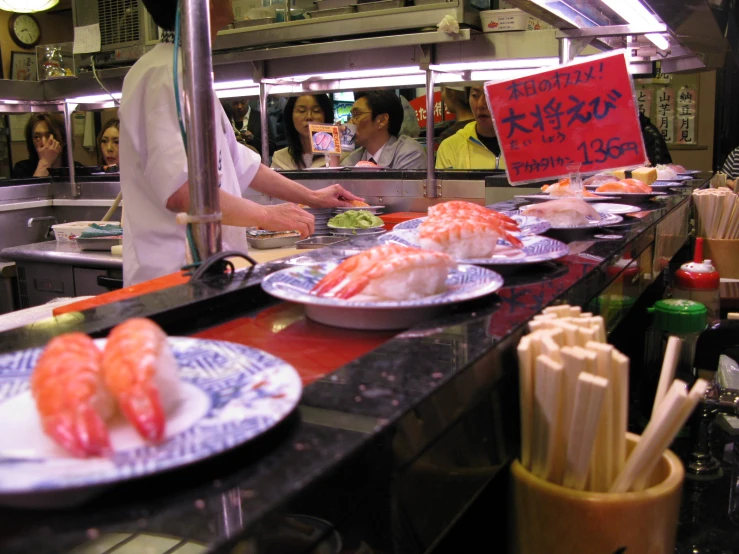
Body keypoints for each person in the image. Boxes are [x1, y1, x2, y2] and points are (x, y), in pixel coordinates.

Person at [120, 0, 361, 286]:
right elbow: (184, 193)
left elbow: (240, 164)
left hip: (206, 271)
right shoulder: (163, 75)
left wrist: (312, 197)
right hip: (170, 280)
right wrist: (266, 215)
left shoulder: (189, 70)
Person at [341, 91, 427, 170]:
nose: (350, 123)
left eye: (357, 115)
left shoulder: (410, 153)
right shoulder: (353, 158)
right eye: (351, 116)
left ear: (382, 120)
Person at [436, 85, 505, 170]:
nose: (480, 104)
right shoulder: (450, 147)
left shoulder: (524, 144)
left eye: (490, 95)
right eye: (475, 95)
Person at [271, 94, 334, 170]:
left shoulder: (341, 156)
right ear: (290, 116)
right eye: (301, 111)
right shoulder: (280, 158)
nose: (309, 117)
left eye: (316, 111)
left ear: (326, 116)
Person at [12, 114, 68, 178]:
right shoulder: (22, 169)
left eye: (49, 135)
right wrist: (45, 162)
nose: (43, 143)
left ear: (64, 140)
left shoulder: (75, 169)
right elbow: (33, 188)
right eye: (37, 137)